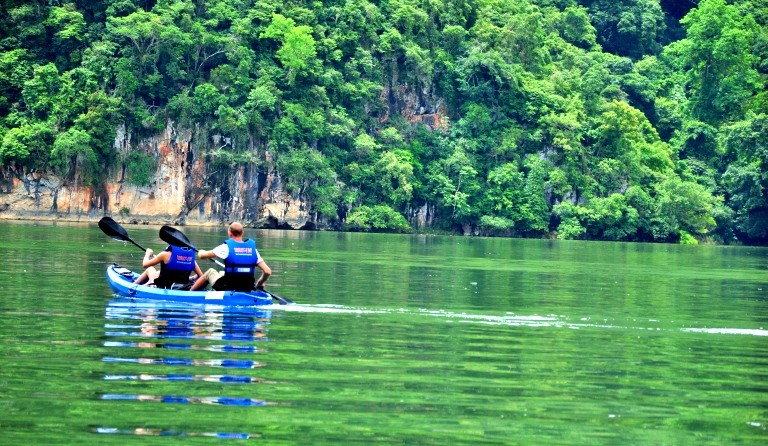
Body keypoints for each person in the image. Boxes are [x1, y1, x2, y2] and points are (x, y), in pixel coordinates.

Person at [190, 222, 271, 291]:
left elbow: (202, 256)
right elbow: (267, 271)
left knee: (210, 272)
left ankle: (189, 293)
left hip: (228, 286)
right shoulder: (253, 250)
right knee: (222, 273)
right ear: (242, 232)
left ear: (229, 233)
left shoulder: (226, 247)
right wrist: (260, 283)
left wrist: (201, 252)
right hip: (247, 286)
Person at [134, 245, 203, 289]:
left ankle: (133, 286)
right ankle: (147, 283)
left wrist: (147, 254)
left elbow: (145, 264)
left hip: (163, 286)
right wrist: (191, 278)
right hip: (182, 285)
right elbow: (201, 276)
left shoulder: (164, 255)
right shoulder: (191, 259)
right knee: (158, 272)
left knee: (150, 269)